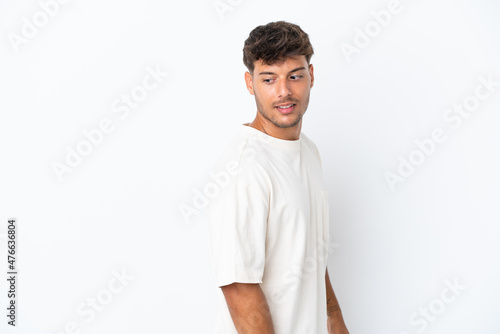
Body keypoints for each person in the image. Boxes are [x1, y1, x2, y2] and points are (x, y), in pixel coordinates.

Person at [205, 21, 349, 334]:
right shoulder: (244, 166)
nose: (284, 91)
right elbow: (239, 287)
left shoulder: (308, 151)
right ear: (250, 83)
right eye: (269, 79)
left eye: (294, 76)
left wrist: (335, 321)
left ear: (311, 76)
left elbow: (309, 253)